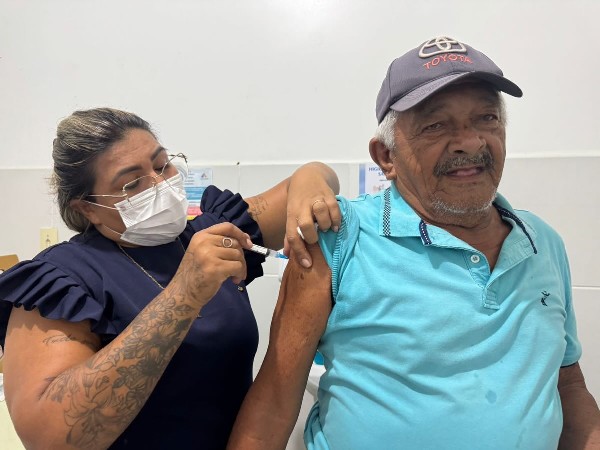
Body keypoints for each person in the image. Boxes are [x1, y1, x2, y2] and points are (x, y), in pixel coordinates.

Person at [227, 36, 600, 449]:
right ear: (386, 156)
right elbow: (274, 404)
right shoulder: (337, 238)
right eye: (436, 125)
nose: (470, 141)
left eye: (487, 118)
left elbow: (568, 383)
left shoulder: (541, 241)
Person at [0, 107, 341, 450]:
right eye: (132, 183)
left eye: (162, 165)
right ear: (87, 207)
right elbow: (52, 438)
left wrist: (312, 176)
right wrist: (184, 295)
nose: (160, 184)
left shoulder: (211, 232)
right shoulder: (62, 280)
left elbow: (305, 188)